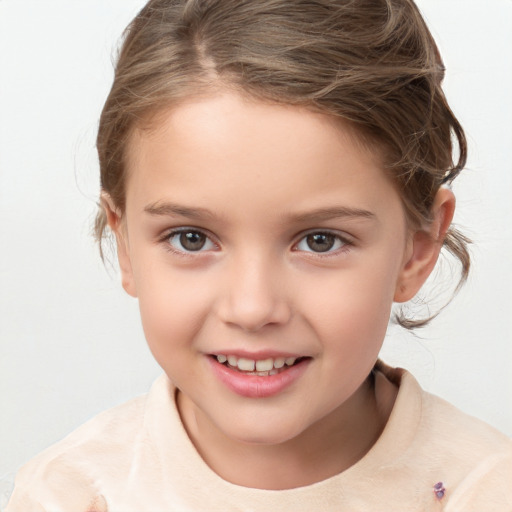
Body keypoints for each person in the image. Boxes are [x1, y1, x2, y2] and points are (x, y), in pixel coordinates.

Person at [5, 0, 511, 510]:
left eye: (320, 240)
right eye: (192, 238)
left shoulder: (484, 491)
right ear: (126, 245)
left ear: (416, 250)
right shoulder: (71, 496)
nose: (251, 308)